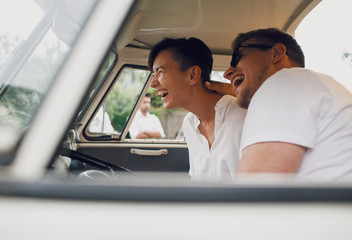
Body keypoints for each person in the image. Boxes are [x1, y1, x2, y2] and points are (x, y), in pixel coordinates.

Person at [207, 28, 352, 182]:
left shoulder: (282, 84)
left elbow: (258, 192)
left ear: (276, 53)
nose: (227, 73)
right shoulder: (314, 86)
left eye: (237, 57)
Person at [149, 37, 246, 181]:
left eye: (160, 72)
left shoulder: (238, 116)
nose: (153, 83)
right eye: (153, 74)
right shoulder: (189, 123)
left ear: (193, 75)